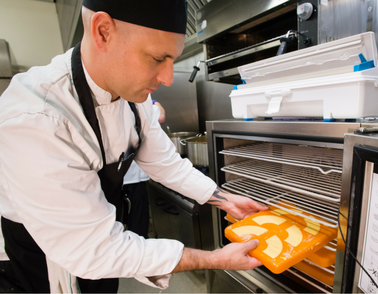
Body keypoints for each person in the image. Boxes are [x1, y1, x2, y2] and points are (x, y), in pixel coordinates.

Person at [0, 0, 268, 293]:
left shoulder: (131, 95)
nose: (167, 78)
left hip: (99, 241)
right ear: (103, 31)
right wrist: (215, 259)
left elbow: (165, 162)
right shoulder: (36, 118)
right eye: (157, 58)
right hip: (43, 255)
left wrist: (224, 200)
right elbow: (95, 250)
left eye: (172, 60)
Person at [123, 100, 165, 238]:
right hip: (133, 179)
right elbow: (161, 116)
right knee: (137, 227)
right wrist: (157, 103)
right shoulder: (137, 104)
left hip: (115, 179)